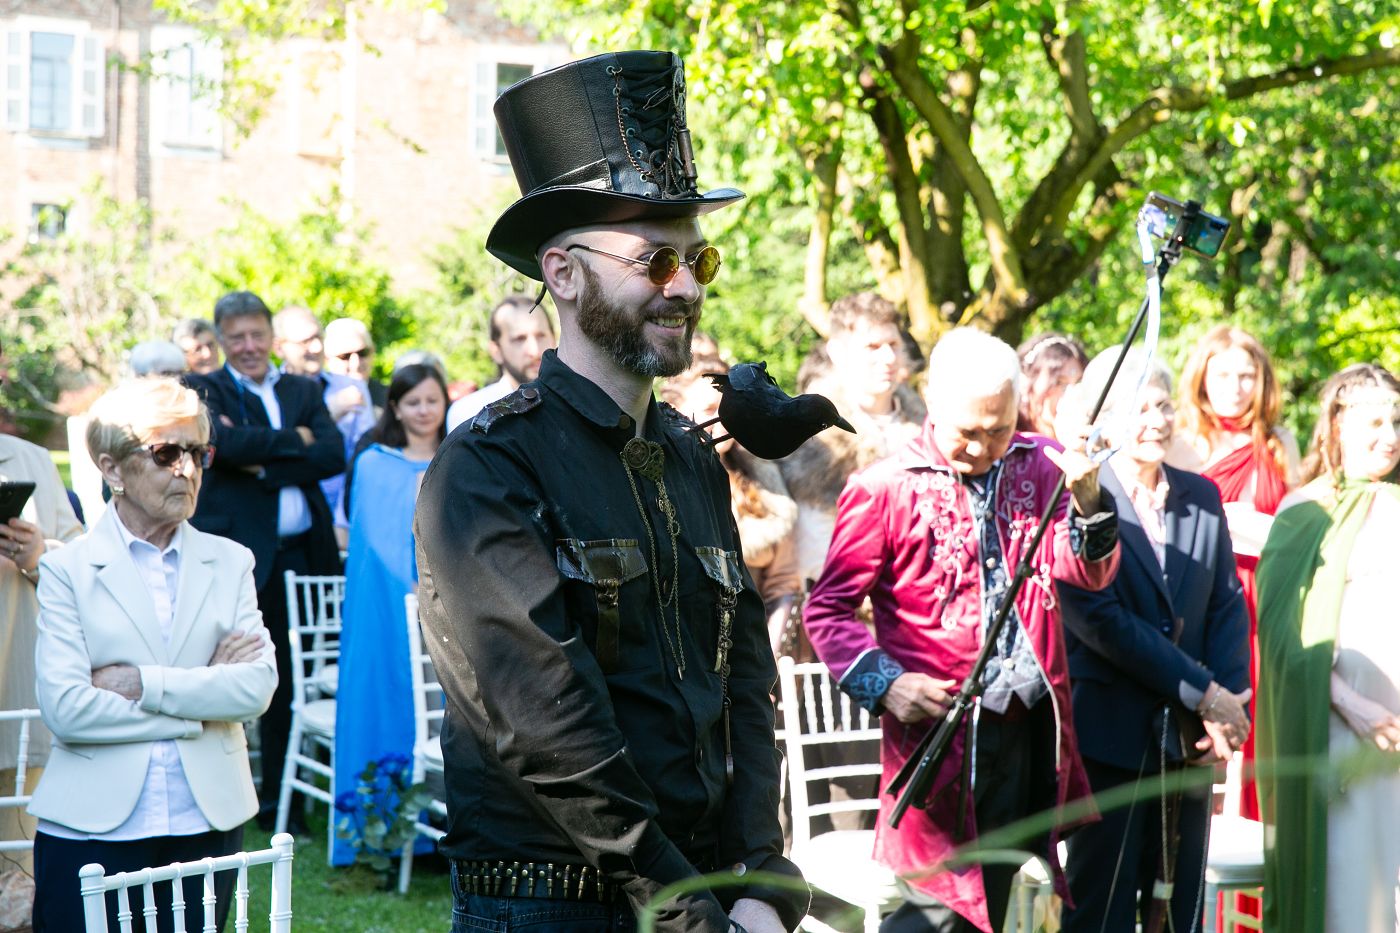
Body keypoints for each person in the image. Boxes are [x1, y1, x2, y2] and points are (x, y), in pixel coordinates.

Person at [413, 50, 806, 933]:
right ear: (562, 272)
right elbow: (549, 730)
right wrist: (688, 910)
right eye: (655, 260)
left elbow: (745, 677)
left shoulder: (693, 456)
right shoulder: (486, 469)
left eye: (698, 259)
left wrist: (761, 870)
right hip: (554, 907)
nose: (687, 286)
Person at [804, 327, 1120, 933]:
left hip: (1033, 729)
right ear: (933, 401)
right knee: (939, 913)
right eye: (968, 431)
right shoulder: (883, 486)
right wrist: (886, 683)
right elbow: (828, 609)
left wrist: (1087, 496)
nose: (983, 447)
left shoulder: (1042, 464)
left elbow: (1088, 571)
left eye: (999, 430)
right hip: (940, 738)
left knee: (995, 906)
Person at [28, 377, 277, 932]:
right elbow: (67, 709)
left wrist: (141, 683)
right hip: (91, 826)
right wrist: (200, 708)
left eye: (198, 452)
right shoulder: (67, 570)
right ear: (111, 468)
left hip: (207, 819)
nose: (186, 469)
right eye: (166, 453)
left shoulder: (231, 561)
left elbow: (255, 689)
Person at [1056, 350, 1249, 932]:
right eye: (1139, 409)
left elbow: (1225, 601)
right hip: (1110, 735)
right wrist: (1203, 691)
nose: (1157, 421)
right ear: (1103, 421)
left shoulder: (1201, 496)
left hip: (1190, 738)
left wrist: (1229, 700)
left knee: (1179, 905)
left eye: (1163, 406)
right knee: (1102, 907)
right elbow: (1099, 619)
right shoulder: (1082, 500)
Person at [185, 291, 344, 827]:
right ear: (221, 341)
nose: (249, 346)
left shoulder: (302, 388)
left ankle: (283, 799)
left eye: (257, 335)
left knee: (296, 677)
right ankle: (226, 792)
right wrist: (294, 440)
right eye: (237, 338)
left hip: (306, 554)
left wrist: (264, 464)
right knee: (236, 669)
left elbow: (331, 453)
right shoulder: (205, 389)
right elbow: (223, 448)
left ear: (272, 336)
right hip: (245, 558)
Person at [1256, 363, 1400, 933]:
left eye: (1397, 422)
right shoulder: (1305, 511)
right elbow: (1283, 633)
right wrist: (1352, 705)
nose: (1390, 436)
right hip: (1339, 726)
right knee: (1351, 892)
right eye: (1375, 423)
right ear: (1337, 426)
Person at [331, 363, 447, 866]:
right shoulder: (374, 464)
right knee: (386, 703)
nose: (423, 411)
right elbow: (373, 545)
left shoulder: (460, 457)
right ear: (395, 408)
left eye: (432, 400)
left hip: (451, 615)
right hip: (387, 615)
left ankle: (440, 830)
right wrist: (414, 590)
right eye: (412, 402)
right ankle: (382, 835)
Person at [0, 339, 84, 879]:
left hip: (16, 688)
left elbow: (82, 563)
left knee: (19, 866)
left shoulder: (29, 459)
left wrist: (37, 554)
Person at [660, 339, 801, 656]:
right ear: (675, 410)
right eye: (710, 410)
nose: (724, 418)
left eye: (730, 406)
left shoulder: (767, 488)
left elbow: (784, 583)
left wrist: (765, 658)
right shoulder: (661, 481)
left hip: (755, 648)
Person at [780, 292, 926, 584]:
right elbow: (814, 547)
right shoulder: (810, 434)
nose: (888, 358)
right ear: (838, 352)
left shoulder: (927, 428)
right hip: (843, 592)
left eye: (894, 344)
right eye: (873, 346)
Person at [272, 305, 377, 541]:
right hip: (289, 518)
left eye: (318, 338)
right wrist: (331, 412)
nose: (317, 348)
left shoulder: (353, 388)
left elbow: (363, 458)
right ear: (279, 347)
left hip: (343, 517)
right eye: (305, 341)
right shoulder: (269, 393)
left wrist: (342, 520)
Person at [446, 296, 558, 432]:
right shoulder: (468, 412)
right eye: (519, 339)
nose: (534, 351)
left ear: (554, 339)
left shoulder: (575, 401)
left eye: (541, 336)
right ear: (496, 351)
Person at [1015, 333, 1087, 440]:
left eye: (1078, 382)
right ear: (1026, 383)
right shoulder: (1011, 444)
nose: (1071, 392)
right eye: (1059, 382)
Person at [323, 317, 387, 410]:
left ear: (372, 351)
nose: (356, 363)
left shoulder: (389, 398)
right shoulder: (313, 398)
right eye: (345, 356)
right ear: (326, 359)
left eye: (362, 353)